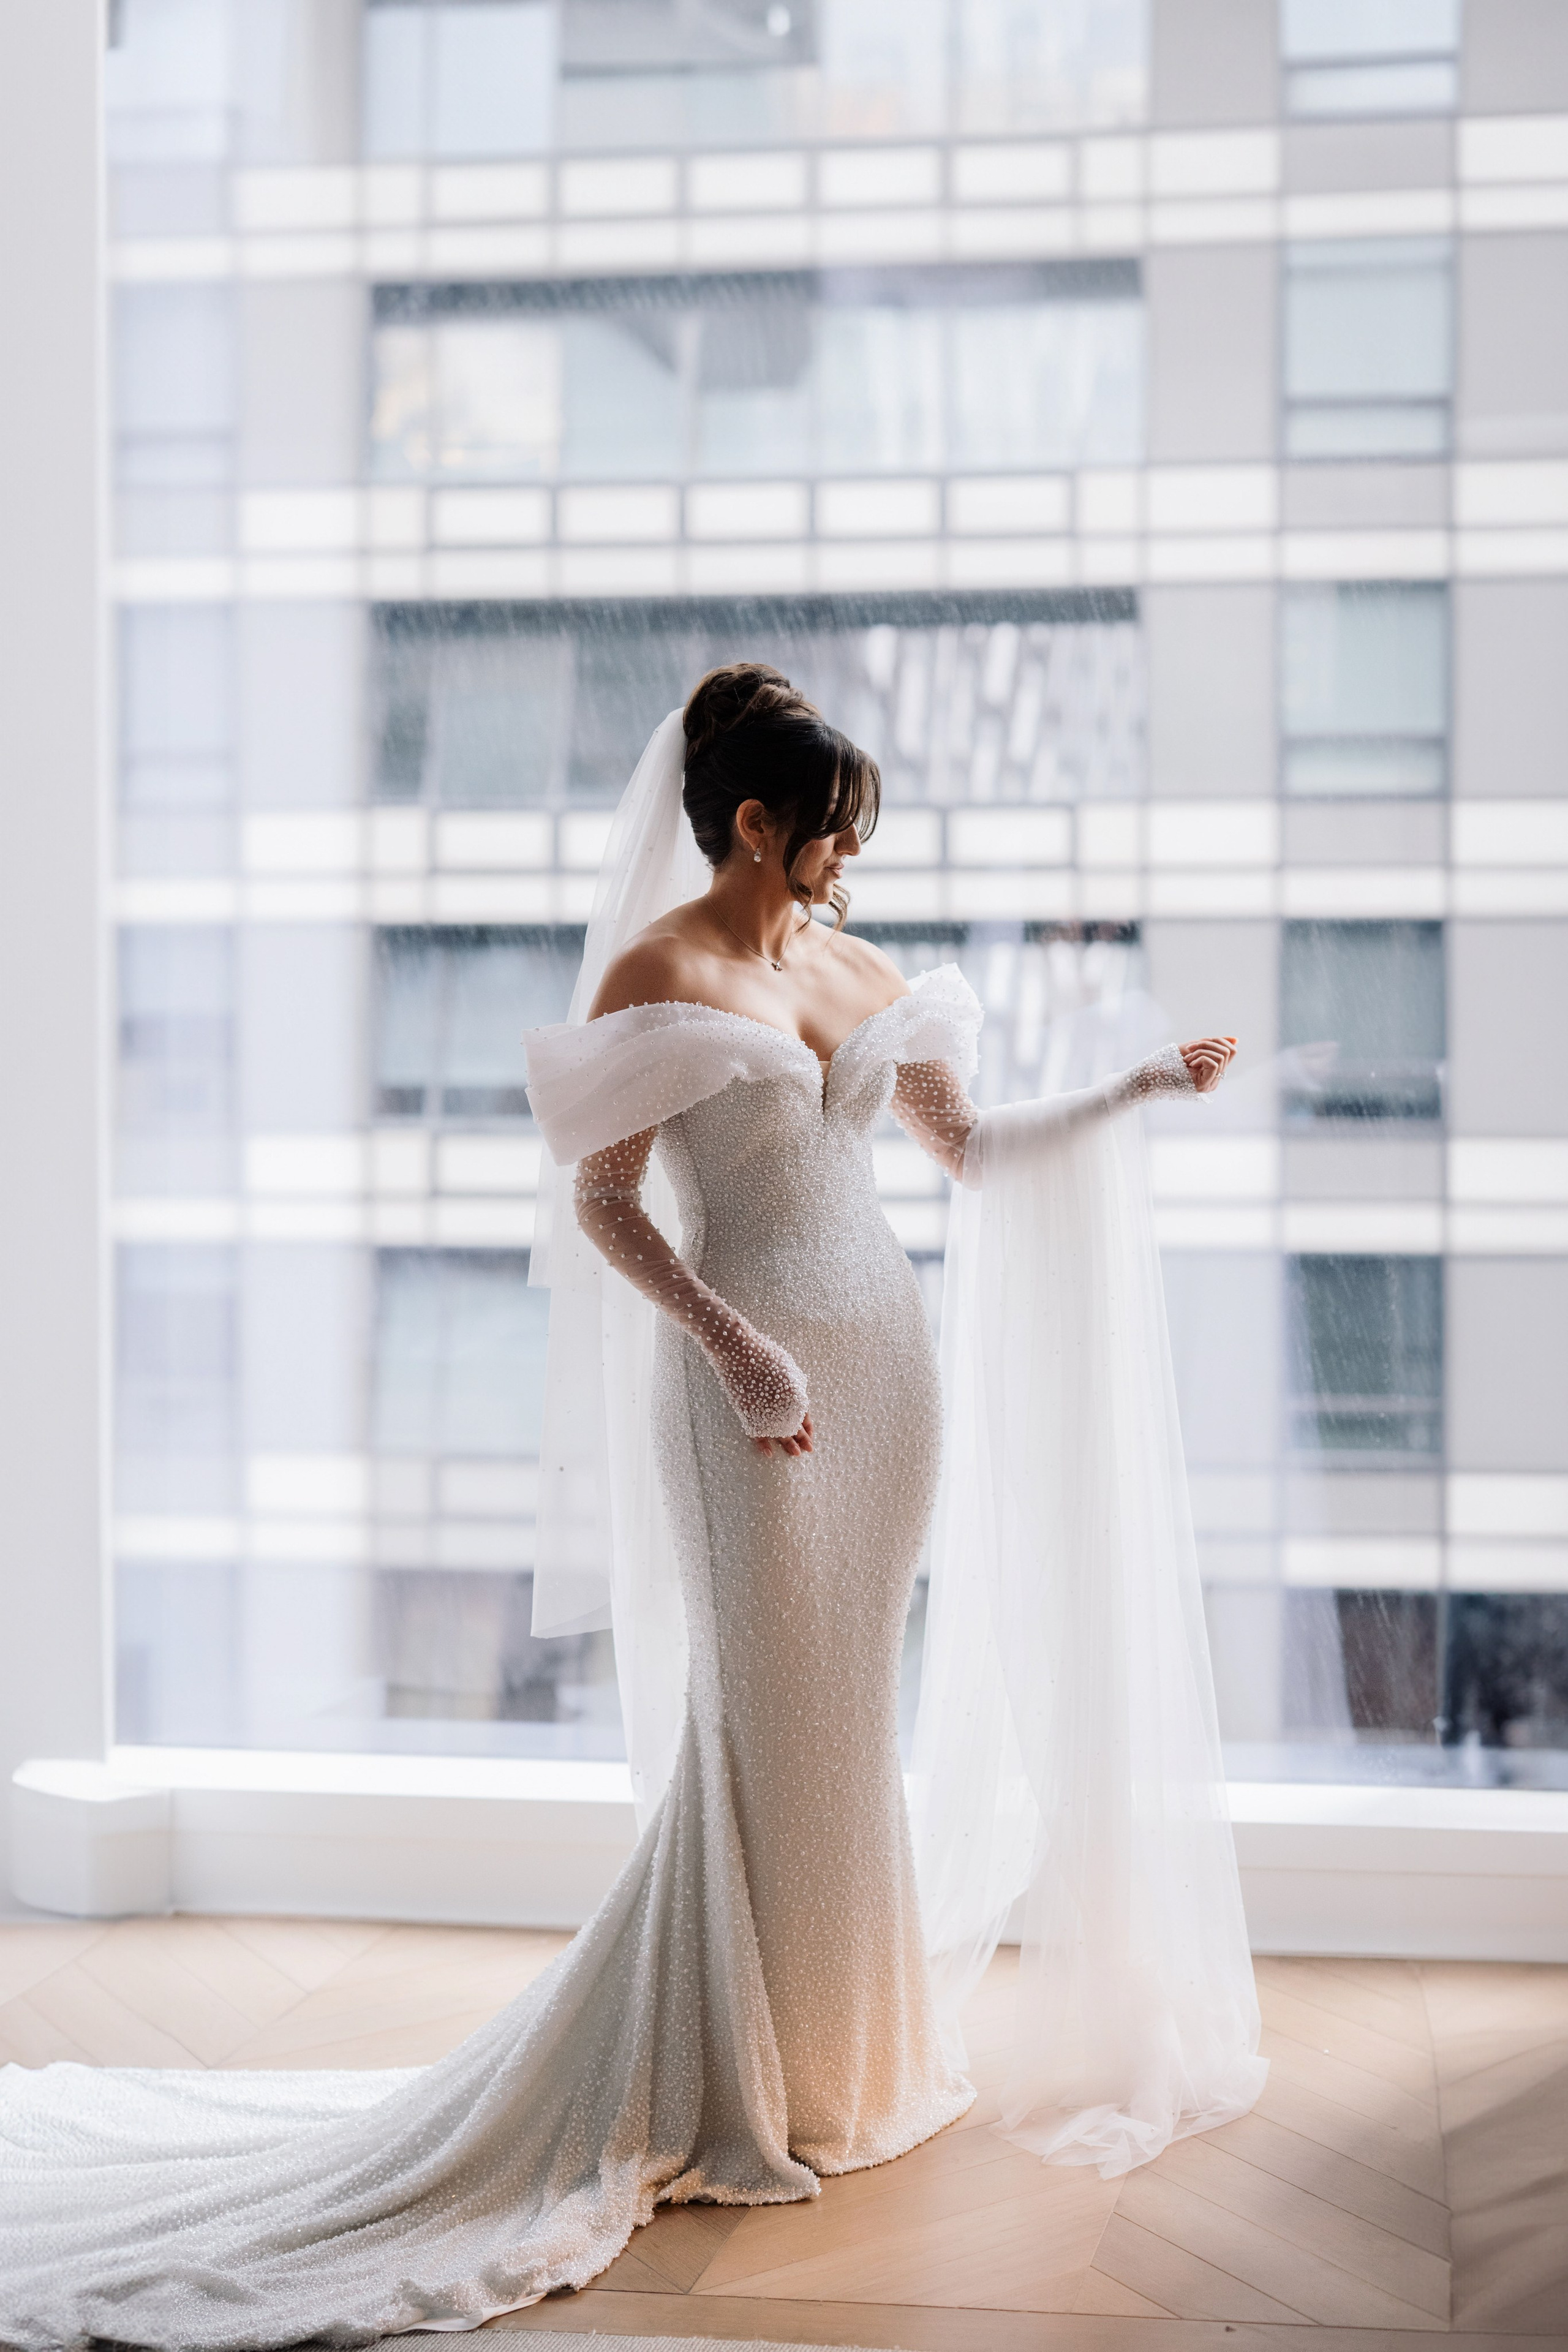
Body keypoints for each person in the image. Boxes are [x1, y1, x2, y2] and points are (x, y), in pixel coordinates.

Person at [0, 666, 1264, 2352]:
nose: (845, 863)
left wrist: (1134, 1091)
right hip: (750, 1386)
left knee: (846, 1719)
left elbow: (974, 1151)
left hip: (884, 1376)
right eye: (829, 835)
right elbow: (603, 1203)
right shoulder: (656, 971)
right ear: (752, 824)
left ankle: (847, 2066)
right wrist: (738, 1350)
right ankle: (727, 2070)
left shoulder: (855, 965)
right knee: (761, 1722)